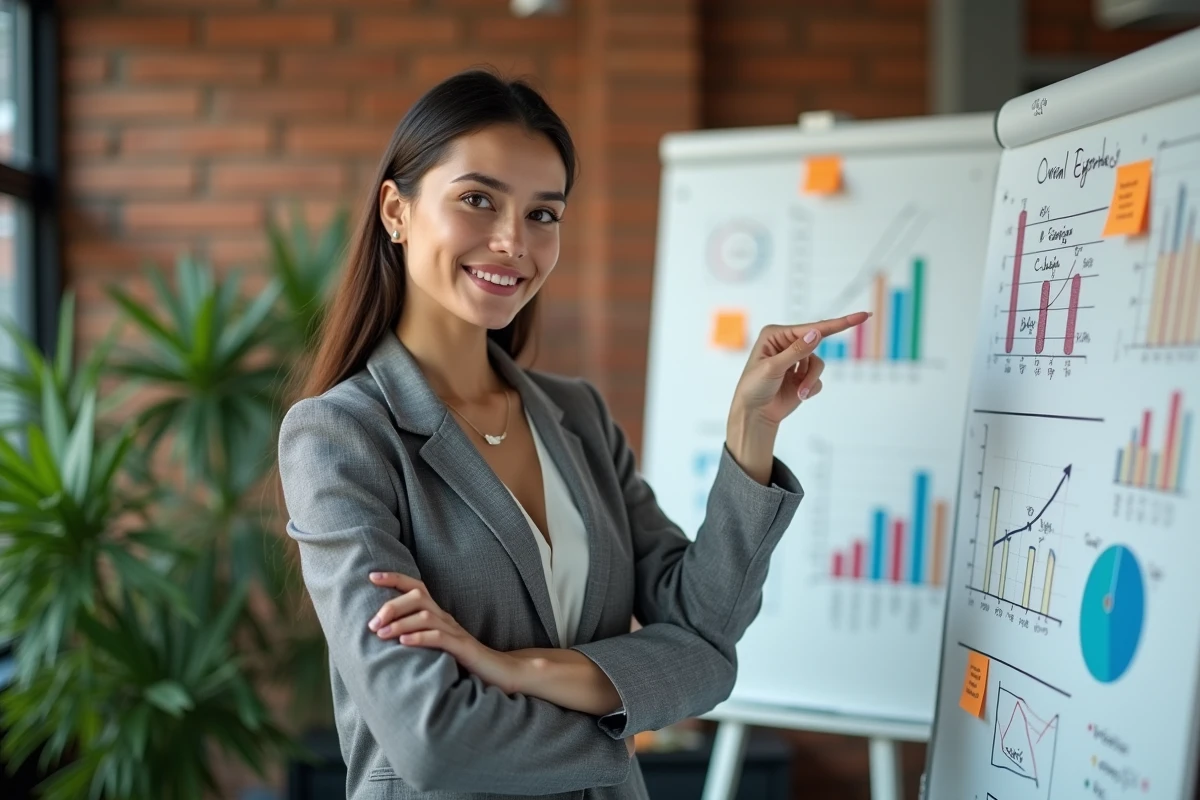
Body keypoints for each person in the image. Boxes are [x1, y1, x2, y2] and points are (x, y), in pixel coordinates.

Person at [277, 68, 868, 799]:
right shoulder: (341, 436)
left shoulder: (577, 417)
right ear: (396, 211)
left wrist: (750, 431)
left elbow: (704, 633)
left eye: (542, 214)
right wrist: (624, 715)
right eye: (476, 200)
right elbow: (434, 740)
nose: (511, 242)